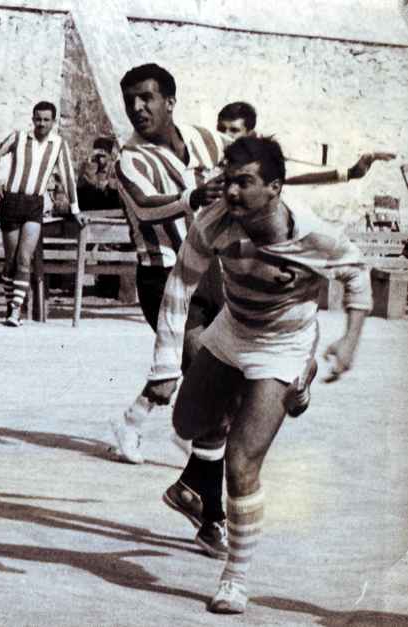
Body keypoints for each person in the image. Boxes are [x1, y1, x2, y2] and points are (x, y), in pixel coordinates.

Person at [142, 136, 371, 613]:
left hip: (283, 345)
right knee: (186, 425)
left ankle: (235, 579)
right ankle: (263, 394)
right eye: (228, 181)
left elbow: (357, 275)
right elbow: (181, 283)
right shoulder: (214, 223)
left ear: (275, 187)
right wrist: (165, 363)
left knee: (241, 464)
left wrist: (348, 341)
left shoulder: (314, 235)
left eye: (244, 183)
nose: (231, 193)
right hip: (232, 331)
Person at [110, 63, 233, 558]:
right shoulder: (129, 158)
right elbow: (144, 207)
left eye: (147, 98)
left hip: (213, 268)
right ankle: (211, 515)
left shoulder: (206, 140)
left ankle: (193, 492)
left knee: (222, 392)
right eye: (130, 101)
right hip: (164, 277)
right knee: (209, 381)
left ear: (170, 100)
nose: (138, 109)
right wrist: (191, 197)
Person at [0, 101, 79, 326]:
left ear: (53, 121)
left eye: (46, 120)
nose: (41, 123)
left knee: (24, 258)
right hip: (11, 201)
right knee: (10, 260)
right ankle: (11, 305)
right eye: (38, 119)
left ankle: (15, 311)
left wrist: (75, 209)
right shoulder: (19, 137)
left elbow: (67, 178)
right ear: (33, 118)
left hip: (34, 205)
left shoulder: (58, 144)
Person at [217, 101, 395, 184]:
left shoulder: (261, 156)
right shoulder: (209, 151)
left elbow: (294, 177)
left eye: (234, 130)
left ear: (250, 133)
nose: (226, 136)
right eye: (221, 129)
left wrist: (349, 173)